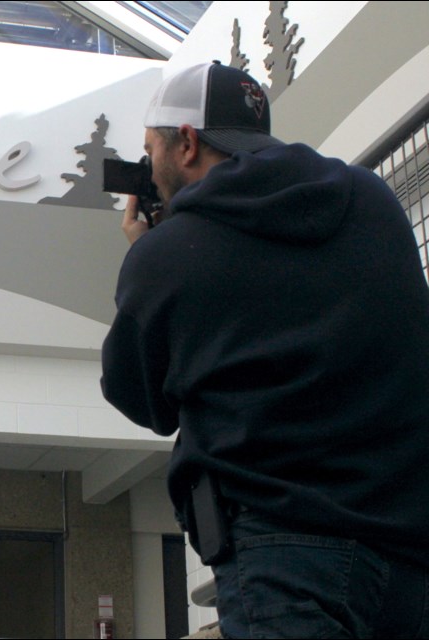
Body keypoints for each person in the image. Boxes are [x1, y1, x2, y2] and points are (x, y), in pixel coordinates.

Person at [100, 62, 429, 638]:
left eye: (150, 150)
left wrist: (143, 257)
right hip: (409, 555)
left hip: (281, 560)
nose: (147, 168)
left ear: (186, 143)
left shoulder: (168, 254)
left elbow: (141, 399)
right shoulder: (372, 202)